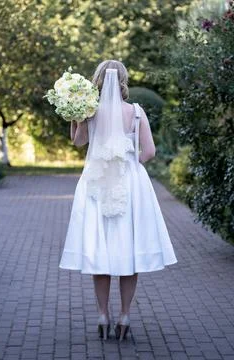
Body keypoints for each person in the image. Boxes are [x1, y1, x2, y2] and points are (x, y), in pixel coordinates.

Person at [59, 59, 178, 341]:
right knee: (129, 249)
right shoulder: (136, 112)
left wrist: (74, 116)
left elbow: (77, 143)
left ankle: (102, 315)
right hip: (129, 183)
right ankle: (125, 316)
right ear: (123, 80)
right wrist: (128, 161)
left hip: (96, 183)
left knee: (99, 249)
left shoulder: (90, 111)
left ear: (97, 80)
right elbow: (149, 152)